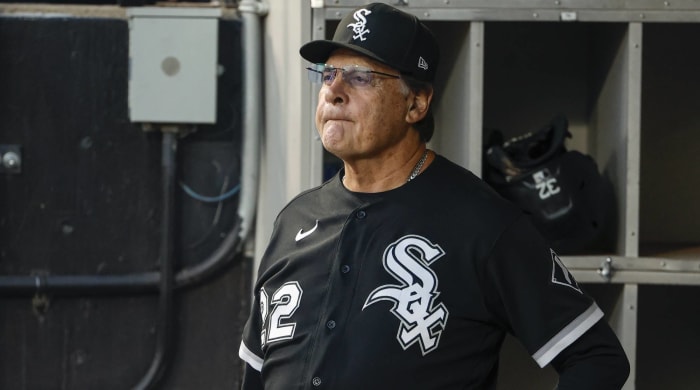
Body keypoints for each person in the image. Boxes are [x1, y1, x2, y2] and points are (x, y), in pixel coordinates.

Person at [238, 3, 630, 389]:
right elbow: (254, 375)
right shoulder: (295, 221)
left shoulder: (483, 224)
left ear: (416, 103)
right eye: (327, 75)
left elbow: (597, 359)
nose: (334, 92)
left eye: (360, 77)